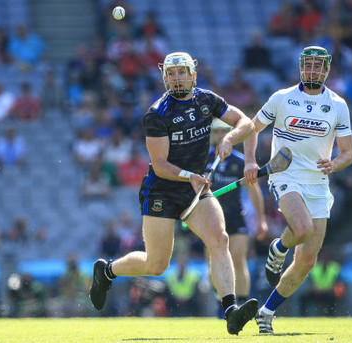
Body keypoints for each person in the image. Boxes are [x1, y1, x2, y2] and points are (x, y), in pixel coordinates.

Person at [89, 52, 258, 335]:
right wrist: (188, 176)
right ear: (164, 76)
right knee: (156, 265)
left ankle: (230, 310)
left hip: (196, 190)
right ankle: (107, 271)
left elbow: (246, 123)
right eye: (171, 73)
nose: (177, 77)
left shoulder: (207, 100)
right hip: (163, 190)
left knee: (220, 238)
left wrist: (228, 138)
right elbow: (160, 165)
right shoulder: (157, 114)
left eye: (182, 72)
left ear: (193, 74)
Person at [243, 46, 352, 334]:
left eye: (319, 66)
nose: (313, 71)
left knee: (306, 261)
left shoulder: (338, 105)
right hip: (285, 175)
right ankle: (279, 248)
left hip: (318, 184)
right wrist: (251, 160)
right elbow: (251, 129)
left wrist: (335, 164)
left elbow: (348, 153)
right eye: (308, 65)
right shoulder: (282, 98)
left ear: (327, 70)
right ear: (301, 68)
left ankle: (266, 313)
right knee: (301, 229)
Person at [208, 118, 268, 308]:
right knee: (214, 260)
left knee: (237, 258)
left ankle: (241, 303)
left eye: (223, 131)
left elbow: (253, 190)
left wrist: (261, 219)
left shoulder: (240, 161)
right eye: (216, 131)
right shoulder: (202, 159)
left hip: (235, 216)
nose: (219, 135)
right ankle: (223, 302)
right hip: (209, 218)